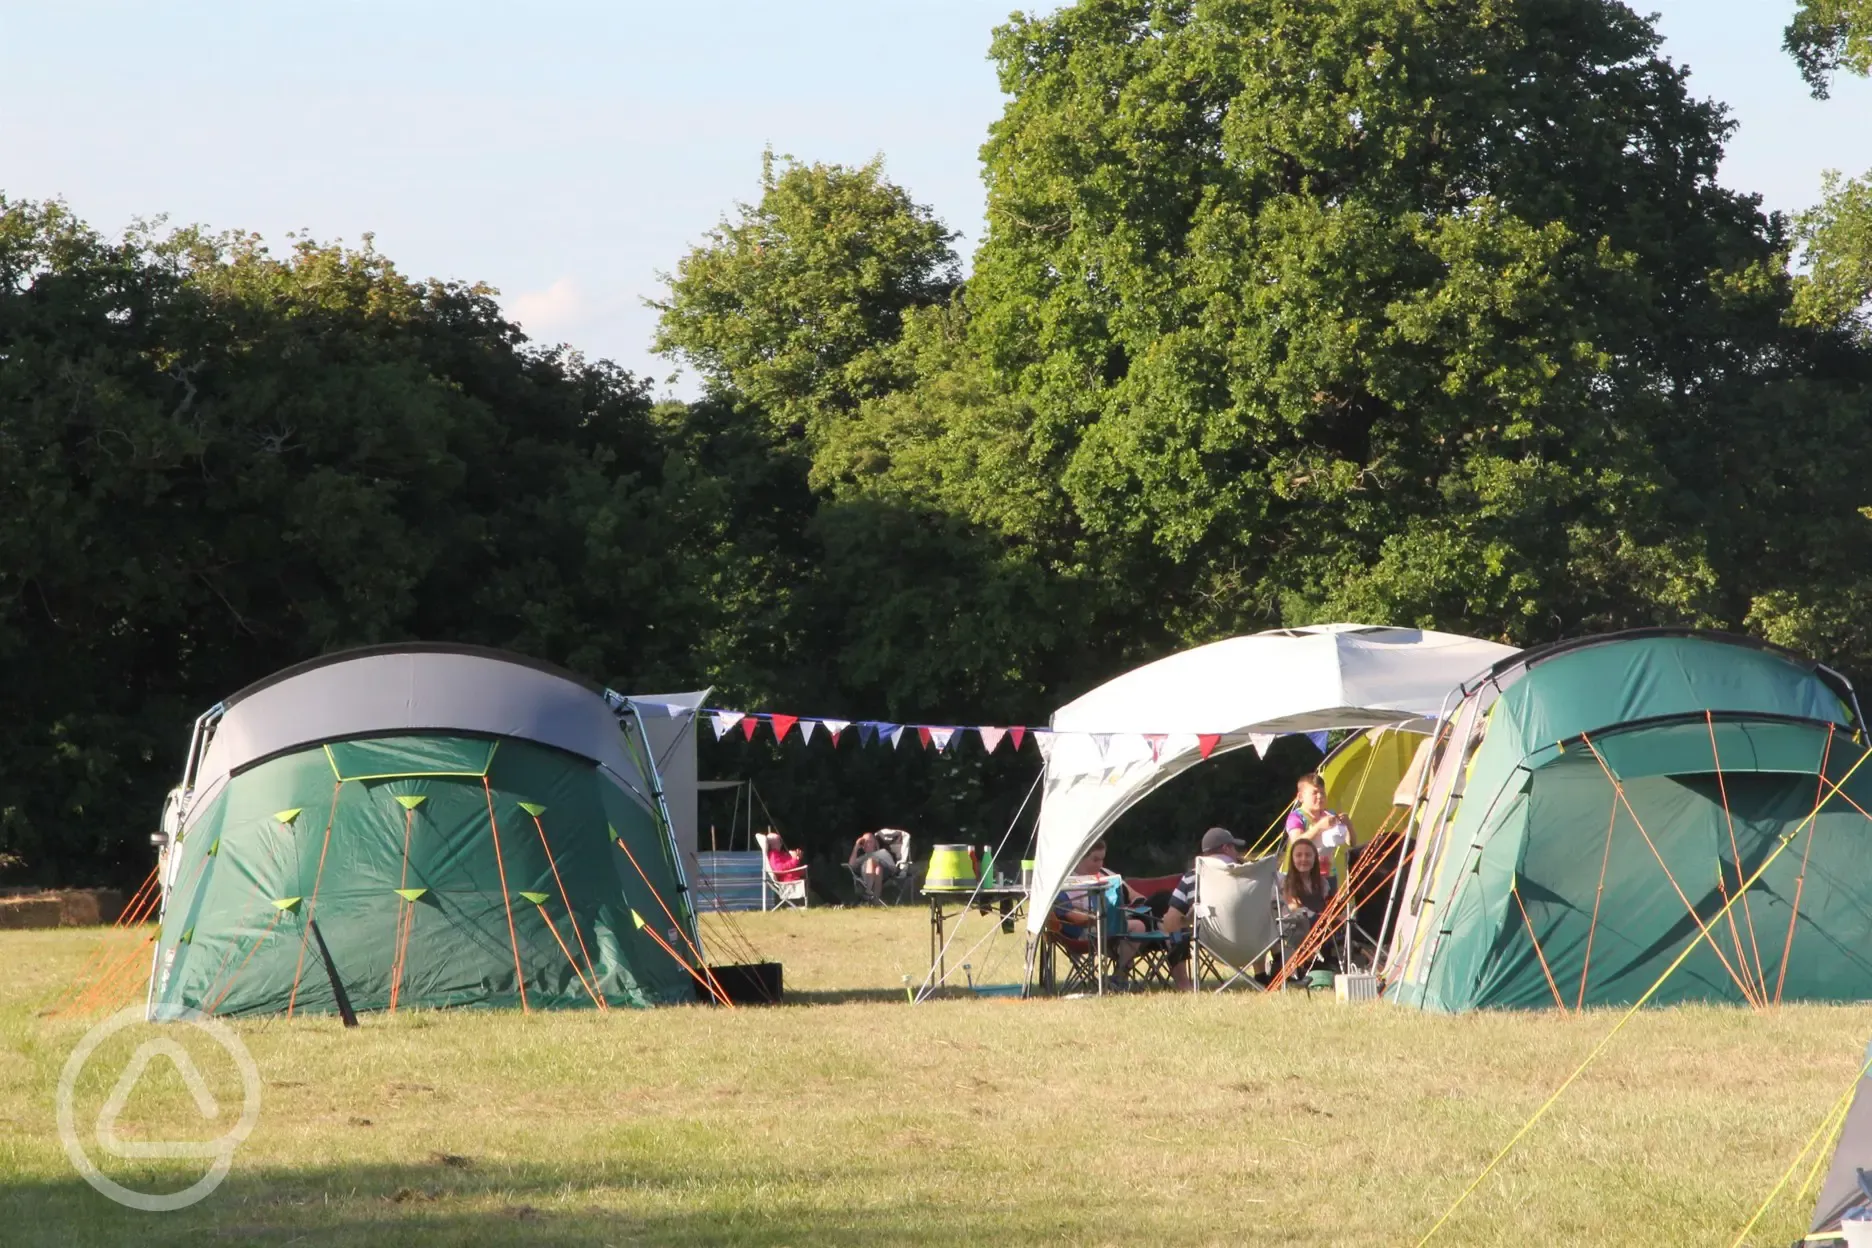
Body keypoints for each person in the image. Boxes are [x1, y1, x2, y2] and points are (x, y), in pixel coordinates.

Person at [1159, 826, 1248, 990]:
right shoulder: (1251, 875)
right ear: (1226, 848)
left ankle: (1184, 984)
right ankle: (1263, 976)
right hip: (1255, 941)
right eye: (1234, 847)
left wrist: (1185, 921)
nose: (1237, 853)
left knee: (1175, 927)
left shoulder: (1191, 878)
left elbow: (1171, 923)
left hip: (1211, 941)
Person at [1050, 840, 1145, 985]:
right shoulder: (1065, 882)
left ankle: (1119, 974)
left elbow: (1137, 897)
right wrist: (1099, 916)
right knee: (1137, 927)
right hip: (1084, 929)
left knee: (1145, 918)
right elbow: (1070, 915)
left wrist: (1130, 907)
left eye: (1102, 859)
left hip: (1110, 922)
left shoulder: (1106, 875)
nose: (1100, 864)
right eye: (1095, 859)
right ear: (1079, 857)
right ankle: (1120, 975)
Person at [1278, 837, 1338, 977]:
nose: (1303, 859)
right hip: (1296, 926)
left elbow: (1330, 906)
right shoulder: (1286, 882)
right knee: (1308, 920)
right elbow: (1294, 907)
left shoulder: (1322, 883)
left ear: (1314, 859)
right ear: (1292, 859)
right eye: (1298, 855)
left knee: (1347, 922)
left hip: (1323, 925)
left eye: (1308, 855)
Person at [848, 828, 904, 902]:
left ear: (875, 844)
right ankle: (875, 900)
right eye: (864, 842)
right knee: (877, 867)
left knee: (875, 865)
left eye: (870, 842)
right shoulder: (861, 857)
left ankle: (868, 892)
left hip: (885, 874)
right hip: (866, 875)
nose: (867, 844)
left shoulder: (883, 852)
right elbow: (850, 866)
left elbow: (893, 868)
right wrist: (856, 846)